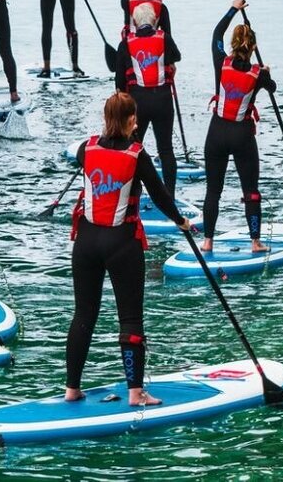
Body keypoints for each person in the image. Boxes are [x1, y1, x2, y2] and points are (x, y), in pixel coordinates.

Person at [66, 91, 192, 407]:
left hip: (86, 242)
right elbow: (160, 195)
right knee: (130, 318)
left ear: (106, 118)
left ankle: (72, 389)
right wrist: (180, 221)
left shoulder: (86, 148)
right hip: (122, 243)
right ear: (132, 119)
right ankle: (136, 392)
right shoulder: (137, 155)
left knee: (84, 313)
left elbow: (92, 167)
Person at [205, 0, 274, 253]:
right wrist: (266, 73)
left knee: (213, 190)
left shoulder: (220, 61)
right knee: (251, 191)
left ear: (232, 46)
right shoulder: (258, 74)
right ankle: (255, 242)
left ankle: (208, 241)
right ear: (253, 47)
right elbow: (272, 87)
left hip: (216, 133)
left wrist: (233, 8)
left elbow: (216, 34)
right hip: (242, 135)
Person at [114, 2, 184, 184]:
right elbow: (177, 56)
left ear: (135, 23)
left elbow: (119, 82)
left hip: (138, 103)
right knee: (166, 149)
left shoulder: (125, 44)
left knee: (133, 148)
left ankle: (132, 192)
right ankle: (170, 196)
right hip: (163, 99)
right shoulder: (164, 38)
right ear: (154, 21)